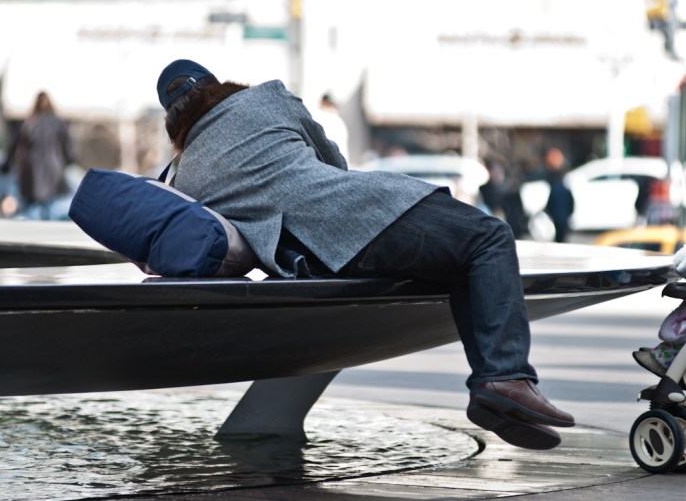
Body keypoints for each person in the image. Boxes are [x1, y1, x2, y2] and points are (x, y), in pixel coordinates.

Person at [155, 59, 575, 450]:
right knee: (489, 237)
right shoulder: (263, 99)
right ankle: (504, 378)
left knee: (458, 262)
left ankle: (493, 391)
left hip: (304, 263)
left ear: (173, 120)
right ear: (217, 85)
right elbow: (333, 162)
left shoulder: (185, 176)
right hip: (357, 217)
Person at [3, 91, 75, 219]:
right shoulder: (58, 123)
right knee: (50, 204)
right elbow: (68, 147)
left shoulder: (30, 123)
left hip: (32, 169)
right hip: (53, 168)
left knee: (33, 206)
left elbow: (14, 146)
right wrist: (69, 160)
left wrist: (6, 165)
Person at [543, 148, 574, 243]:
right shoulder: (562, 185)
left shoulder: (555, 184)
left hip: (558, 215)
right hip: (561, 215)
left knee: (560, 237)